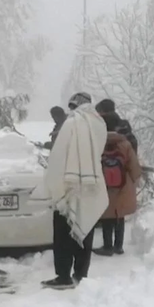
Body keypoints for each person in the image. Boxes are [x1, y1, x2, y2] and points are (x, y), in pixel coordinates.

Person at [33, 92, 110, 290]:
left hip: (69, 185)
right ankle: (82, 274)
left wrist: (54, 181)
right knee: (85, 227)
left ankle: (63, 276)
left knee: (63, 231)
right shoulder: (99, 123)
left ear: (75, 105)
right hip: (92, 183)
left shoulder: (72, 123)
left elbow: (59, 155)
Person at [93, 113, 142, 257]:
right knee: (119, 215)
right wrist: (133, 180)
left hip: (103, 185)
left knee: (106, 215)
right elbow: (134, 167)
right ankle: (118, 246)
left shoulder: (97, 143)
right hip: (123, 185)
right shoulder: (125, 143)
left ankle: (107, 247)